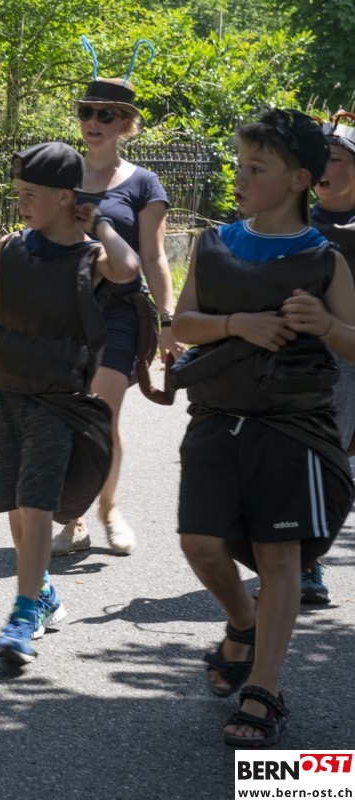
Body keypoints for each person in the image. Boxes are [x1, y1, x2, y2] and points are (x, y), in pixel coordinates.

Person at [172, 109, 355, 747]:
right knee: (199, 543)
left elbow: (354, 342)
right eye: (240, 165)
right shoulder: (214, 244)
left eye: (257, 168)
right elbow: (181, 325)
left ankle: (264, 690)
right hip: (216, 418)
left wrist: (326, 326)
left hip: (292, 425)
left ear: (299, 179)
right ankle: (244, 623)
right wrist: (237, 324)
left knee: (281, 556)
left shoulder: (324, 258)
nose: (241, 177)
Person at [0, 142, 140, 664]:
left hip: (58, 399)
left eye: (31, 194)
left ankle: (23, 614)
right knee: (16, 506)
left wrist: (100, 223)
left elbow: (128, 268)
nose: (21, 203)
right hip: (5, 393)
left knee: (36, 506)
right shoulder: (10, 248)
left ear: (65, 196)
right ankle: (43, 593)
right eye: (18, 193)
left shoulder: (90, 257)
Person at [52, 71, 183, 557]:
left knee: (101, 412)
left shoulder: (144, 183)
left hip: (119, 311)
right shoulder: (59, 175)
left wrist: (168, 320)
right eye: (86, 112)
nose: (93, 121)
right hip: (63, 312)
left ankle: (108, 510)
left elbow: (154, 256)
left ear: (125, 123)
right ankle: (75, 519)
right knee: (67, 413)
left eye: (105, 114)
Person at [301, 110, 355, 604]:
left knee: (332, 461)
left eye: (336, 158)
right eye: (320, 158)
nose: (325, 167)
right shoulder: (293, 219)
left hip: (349, 358)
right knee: (308, 458)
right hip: (298, 357)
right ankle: (306, 561)